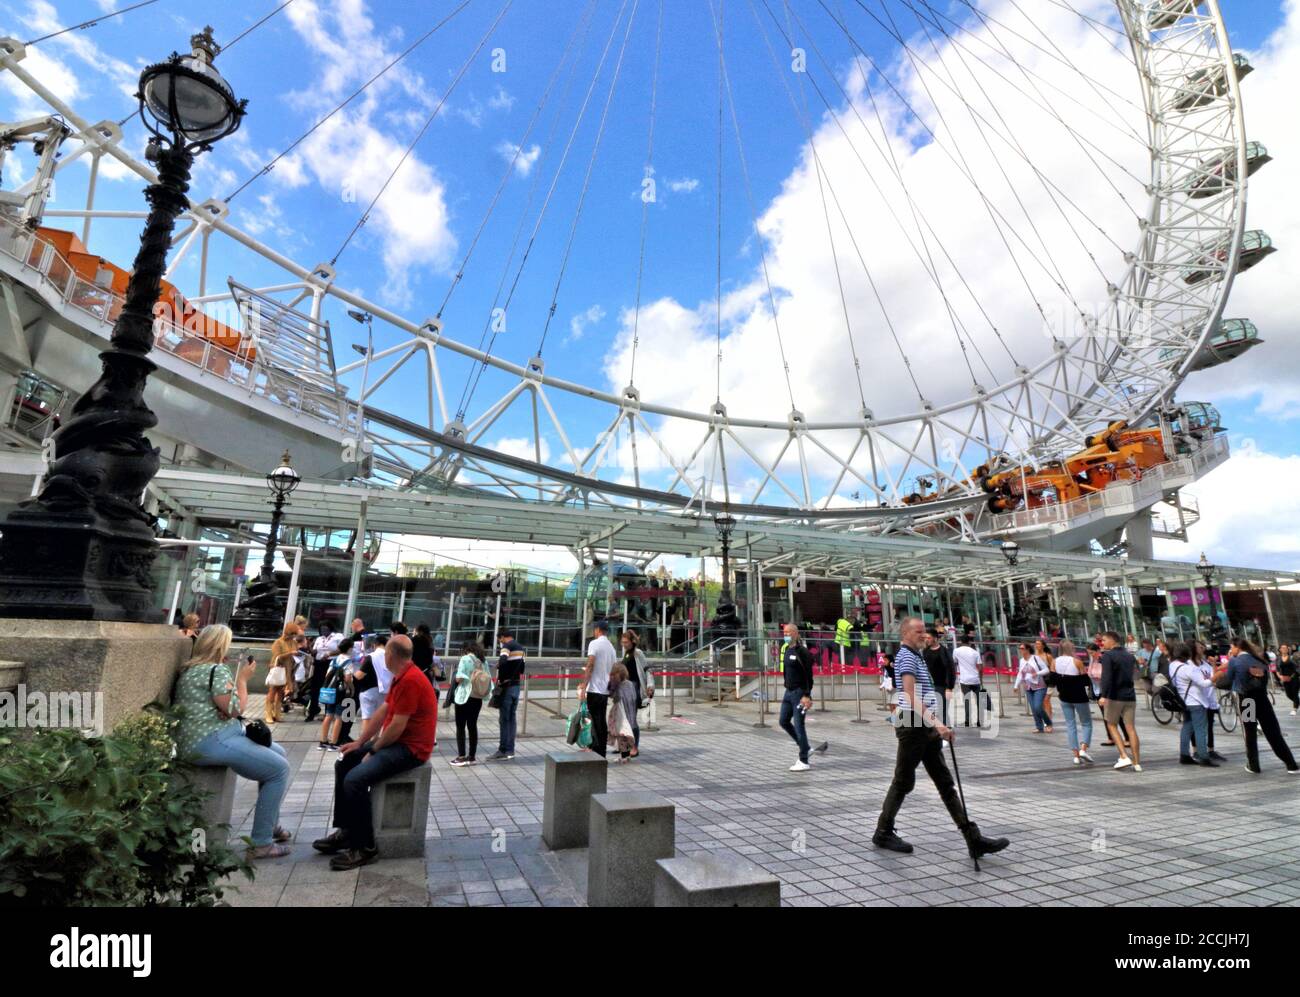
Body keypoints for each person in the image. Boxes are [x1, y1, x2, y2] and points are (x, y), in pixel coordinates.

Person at [872, 617, 1009, 860]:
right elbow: (910, 696)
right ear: (905, 634)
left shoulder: (918, 656)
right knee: (903, 781)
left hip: (925, 726)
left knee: (945, 782)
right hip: (912, 725)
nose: (924, 635)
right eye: (918, 632)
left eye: (924, 631)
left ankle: (972, 837)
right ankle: (883, 831)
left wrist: (935, 724)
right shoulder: (905, 656)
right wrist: (938, 723)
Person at [312, 635, 437, 870]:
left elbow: (397, 726)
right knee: (345, 761)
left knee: (355, 780)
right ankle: (347, 830)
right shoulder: (402, 676)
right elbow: (383, 712)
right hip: (397, 741)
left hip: (410, 748)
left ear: (390, 655)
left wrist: (375, 749)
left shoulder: (411, 680)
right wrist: (360, 742)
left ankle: (365, 846)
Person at [173, 625, 291, 859]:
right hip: (212, 740)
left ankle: (270, 824)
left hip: (202, 737)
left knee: (280, 752)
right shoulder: (216, 671)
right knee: (279, 770)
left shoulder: (191, 670)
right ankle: (261, 843)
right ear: (220, 647)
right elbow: (236, 709)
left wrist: (226, 709)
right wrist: (244, 680)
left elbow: (220, 707)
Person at [1220, 638, 1298, 775]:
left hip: (1247, 700)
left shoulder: (1234, 660)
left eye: (1232, 647)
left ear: (1238, 647)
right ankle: (1291, 764)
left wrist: (1212, 682)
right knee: (1273, 732)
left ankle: (1253, 765)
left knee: (1249, 732)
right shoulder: (1259, 659)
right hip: (1263, 699)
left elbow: (1227, 681)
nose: (1231, 650)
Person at [1099, 631, 1141, 772]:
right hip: (1130, 696)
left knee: (1111, 725)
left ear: (1112, 640)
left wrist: (1103, 695)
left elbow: (1106, 677)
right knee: (1131, 728)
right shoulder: (1130, 656)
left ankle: (1124, 756)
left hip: (1114, 696)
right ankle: (1136, 762)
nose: (1102, 643)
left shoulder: (1108, 656)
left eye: (1104, 640)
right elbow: (1135, 674)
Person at [1168, 642, 1216, 767]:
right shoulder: (1188, 668)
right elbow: (1204, 683)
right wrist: (1216, 678)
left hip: (1183, 701)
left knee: (1187, 727)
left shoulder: (1172, 665)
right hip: (1196, 701)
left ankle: (1184, 755)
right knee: (1200, 730)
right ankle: (1204, 757)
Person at [778, 623, 816, 771]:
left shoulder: (803, 652)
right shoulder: (787, 649)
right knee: (783, 721)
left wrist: (807, 695)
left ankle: (803, 760)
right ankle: (805, 746)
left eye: (788, 632)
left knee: (799, 725)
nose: (786, 635)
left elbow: (809, 675)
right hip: (788, 692)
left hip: (800, 693)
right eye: (784, 632)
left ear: (796, 634)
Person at [451, 640, 491, 766]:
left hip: (464, 696)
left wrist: (456, 678)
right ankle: (472, 757)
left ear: (465, 649)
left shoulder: (465, 659)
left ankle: (461, 757)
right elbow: (488, 678)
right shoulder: (483, 661)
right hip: (477, 697)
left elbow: (459, 678)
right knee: (472, 726)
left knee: (460, 726)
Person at [581, 620, 617, 759]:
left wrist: (584, 686)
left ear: (598, 630)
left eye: (594, 630)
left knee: (595, 721)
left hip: (594, 689)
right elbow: (614, 669)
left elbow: (590, 665)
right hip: (605, 690)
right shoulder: (611, 648)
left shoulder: (594, 644)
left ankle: (596, 750)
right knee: (600, 720)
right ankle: (600, 750)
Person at [1052, 640, 1093, 765]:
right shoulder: (1077, 662)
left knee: (1070, 725)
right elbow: (1085, 681)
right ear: (1072, 649)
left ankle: (1075, 755)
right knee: (1086, 723)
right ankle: (1083, 749)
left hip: (1064, 696)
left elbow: (1052, 680)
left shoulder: (1054, 662)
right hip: (1079, 697)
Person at [489, 628, 525, 761]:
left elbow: (503, 661)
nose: (500, 642)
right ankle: (511, 750)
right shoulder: (521, 648)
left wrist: (499, 665)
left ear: (503, 637)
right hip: (516, 686)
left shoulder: (506, 646)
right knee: (512, 719)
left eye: (500, 639)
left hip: (506, 687)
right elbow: (522, 668)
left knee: (504, 719)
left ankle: (502, 750)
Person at [318, 636, 356, 751]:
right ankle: (334, 743)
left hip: (330, 691)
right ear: (349, 649)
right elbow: (348, 678)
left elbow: (327, 675)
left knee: (328, 715)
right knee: (338, 717)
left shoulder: (334, 660)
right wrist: (351, 689)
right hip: (341, 692)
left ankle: (323, 741)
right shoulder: (348, 662)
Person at [619, 630, 653, 756]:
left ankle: (634, 747)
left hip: (634, 688)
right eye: (622, 642)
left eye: (626, 642)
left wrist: (650, 685)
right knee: (624, 718)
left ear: (632, 641)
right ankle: (624, 745)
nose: (623, 644)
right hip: (625, 688)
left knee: (631, 718)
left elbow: (648, 670)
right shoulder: (627, 653)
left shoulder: (638, 653)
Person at [263, 622, 299, 725]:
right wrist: (291, 653)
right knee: (272, 691)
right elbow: (277, 656)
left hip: (287, 670)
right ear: (287, 632)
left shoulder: (293, 642)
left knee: (281, 692)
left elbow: (294, 654)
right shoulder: (278, 642)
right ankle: (268, 714)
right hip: (277, 669)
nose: (293, 636)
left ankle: (277, 713)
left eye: (294, 634)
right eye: (292, 634)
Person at [1013, 643, 1052, 733]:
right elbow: (1020, 673)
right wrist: (1016, 685)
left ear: (1028, 649)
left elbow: (1046, 670)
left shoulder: (1035, 658)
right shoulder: (1021, 660)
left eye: (1022, 648)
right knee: (1034, 709)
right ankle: (1039, 727)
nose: (1020, 650)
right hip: (1028, 687)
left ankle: (1048, 723)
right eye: (1020, 648)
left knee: (1038, 707)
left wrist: (1037, 673)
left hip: (1040, 686)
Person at [306, 622, 340, 722]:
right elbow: (314, 652)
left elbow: (341, 649)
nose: (323, 631)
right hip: (319, 664)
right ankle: (312, 712)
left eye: (325, 629)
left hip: (330, 664)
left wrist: (329, 654)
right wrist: (309, 645)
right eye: (321, 629)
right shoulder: (319, 639)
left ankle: (328, 713)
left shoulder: (337, 637)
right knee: (315, 688)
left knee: (328, 688)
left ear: (330, 629)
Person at [923, 630, 956, 726]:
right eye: (925, 638)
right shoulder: (925, 651)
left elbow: (951, 669)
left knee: (943, 710)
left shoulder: (944, 651)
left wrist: (949, 687)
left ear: (935, 638)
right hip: (930, 686)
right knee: (931, 710)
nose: (926, 640)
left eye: (928, 638)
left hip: (943, 686)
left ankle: (947, 731)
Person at [607, 662, 639, 761]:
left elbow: (614, 697)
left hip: (622, 714)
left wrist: (611, 687)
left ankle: (625, 756)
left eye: (613, 674)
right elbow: (634, 698)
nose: (611, 676)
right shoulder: (630, 684)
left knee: (622, 735)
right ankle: (626, 755)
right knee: (626, 734)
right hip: (631, 712)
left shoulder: (619, 686)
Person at [953, 638, 983, 728]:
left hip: (964, 680)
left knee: (967, 700)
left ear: (961, 642)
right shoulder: (975, 652)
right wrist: (981, 679)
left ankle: (967, 721)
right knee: (978, 701)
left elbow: (954, 662)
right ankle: (979, 721)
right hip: (975, 679)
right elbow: (980, 667)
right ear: (969, 642)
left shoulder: (956, 651)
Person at [1034, 638, 1056, 726]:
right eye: (1036, 644)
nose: (1037, 645)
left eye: (1039, 644)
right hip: (1038, 681)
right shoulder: (1033, 656)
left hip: (1049, 680)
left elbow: (1053, 668)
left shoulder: (1048, 656)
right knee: (1042, 701)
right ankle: (1046, 718)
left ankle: (1049, 720)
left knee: (1046, 700)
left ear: (1043, 645)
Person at [1277, 644, 1299, 717]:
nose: (1284, 649)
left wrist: (1291, 676)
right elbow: (1277, 669)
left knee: (1294, 693)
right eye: (1282, 648)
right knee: (1288, 694)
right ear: (1280, 649)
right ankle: (1297, 702)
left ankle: (1294, 709)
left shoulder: (1292, 657)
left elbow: (1297, 668)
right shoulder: (1278, 659)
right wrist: (1280, 677)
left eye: (1285, 648)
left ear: (1288, 649)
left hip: (1294, 678)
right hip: (1284, 679)